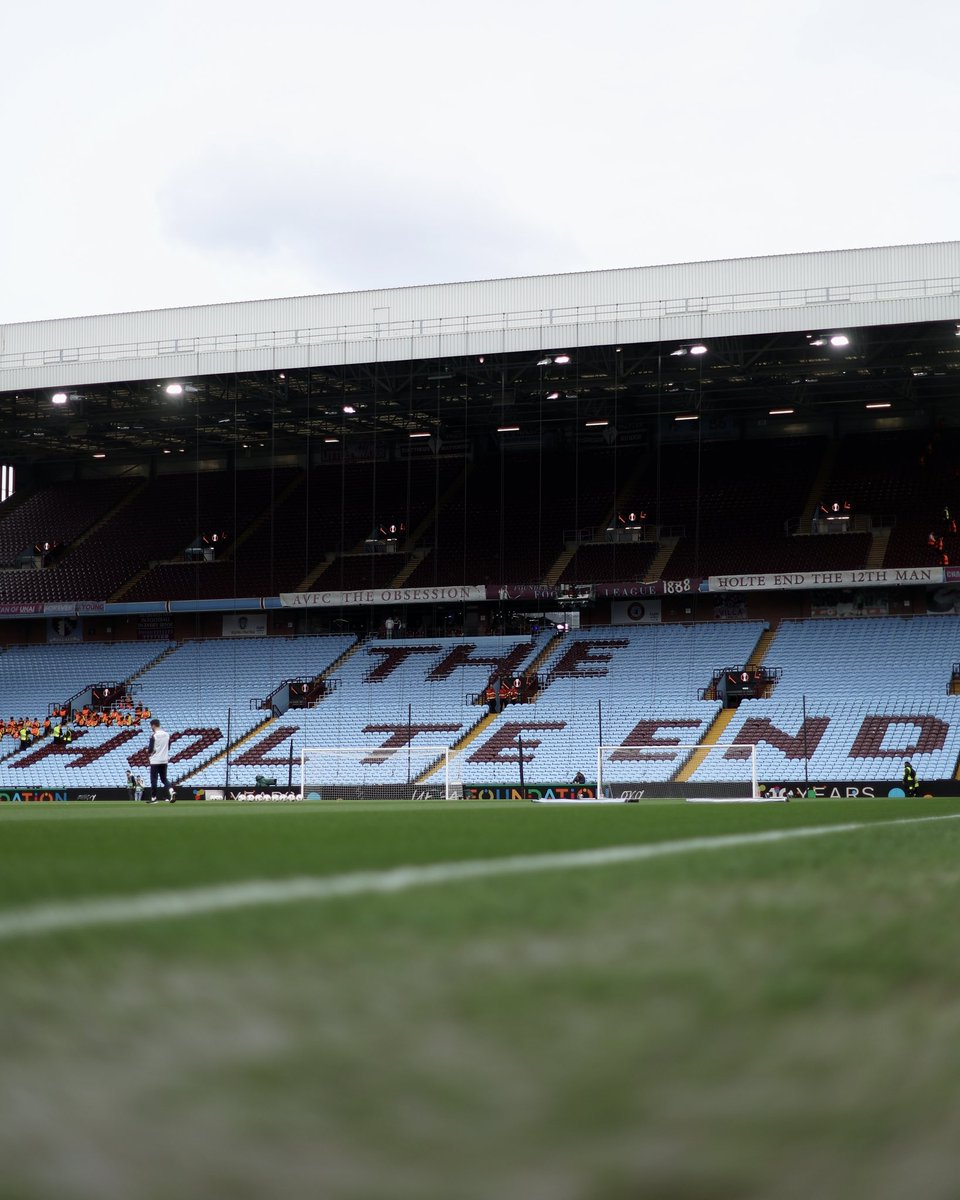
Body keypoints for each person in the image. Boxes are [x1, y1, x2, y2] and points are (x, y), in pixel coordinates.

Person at [145, 718, 176, 803]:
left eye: (151, 726)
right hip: (164, 760)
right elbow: (168, 747)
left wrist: (148, 751)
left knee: (154, 779)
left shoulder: (153, 736)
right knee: (164, 779)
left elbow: (150, 750)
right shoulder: (167, 734)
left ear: (153, 725)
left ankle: (154, 798)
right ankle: (171, 791)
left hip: (155, 760)